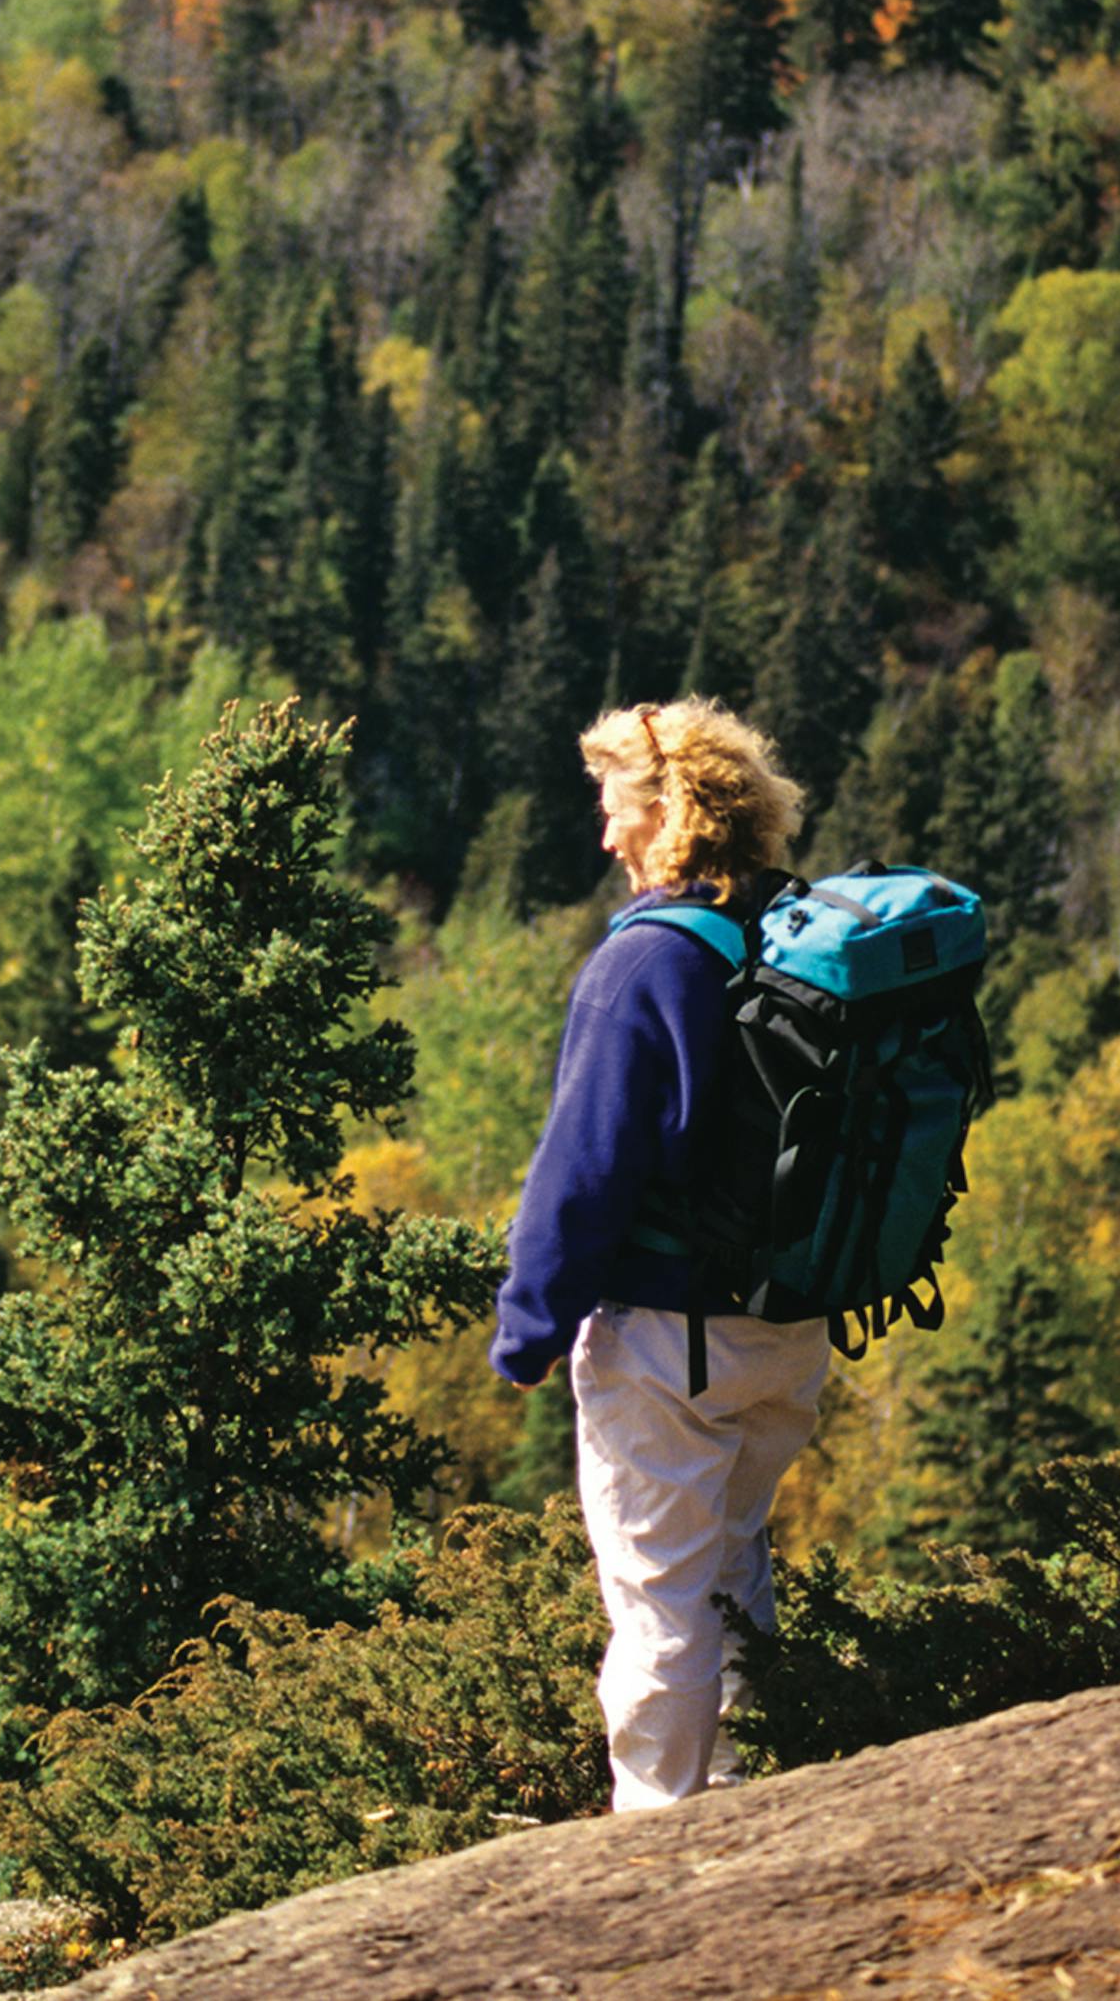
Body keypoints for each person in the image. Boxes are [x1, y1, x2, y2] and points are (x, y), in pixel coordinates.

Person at [488, 695, 819, 1814]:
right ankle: (754, 1802)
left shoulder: (643, 966)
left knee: (660, 1609)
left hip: (670, 1342)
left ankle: (659, 1854)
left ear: (667, 811)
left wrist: (528, 1330)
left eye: (614, 808)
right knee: (731, 1578)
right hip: (789, 1331)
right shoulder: (789, 934)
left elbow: (580, 1172)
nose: (604, 836)